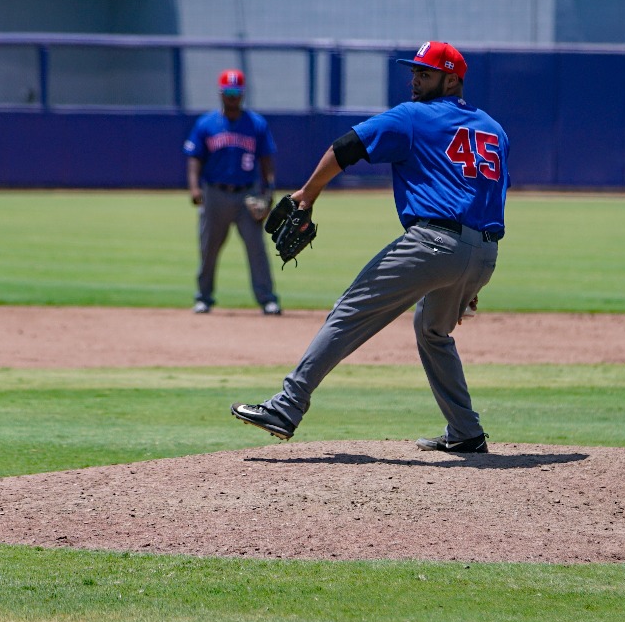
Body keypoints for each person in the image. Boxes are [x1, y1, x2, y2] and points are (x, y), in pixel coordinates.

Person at [231, 41, 509, 454]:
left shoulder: (412, 116)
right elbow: (488, 196)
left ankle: (286, 407)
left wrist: (307, 195)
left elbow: (344, 148)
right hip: (484, 251)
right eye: (414, 71)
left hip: (433, 244)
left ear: (452, 79)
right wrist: (471, 279)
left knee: (350, 311)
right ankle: (466, 430)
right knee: (433, 330)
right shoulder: (493, 128)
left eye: (425, 73)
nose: (415, 79)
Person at [184, 68, 282, 316]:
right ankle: (203, 298)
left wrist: (269, 192)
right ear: (220, 93)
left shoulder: (256, 124)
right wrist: (194, 187)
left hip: (247, 196)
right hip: (214, 193)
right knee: (208, 249)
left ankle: (267, 299)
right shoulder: (206, 124)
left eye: (236, 92)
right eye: (228, 92)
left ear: (242, 94)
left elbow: (266, 161)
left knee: (256, 249)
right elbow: (195, 158)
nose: (232, 97)